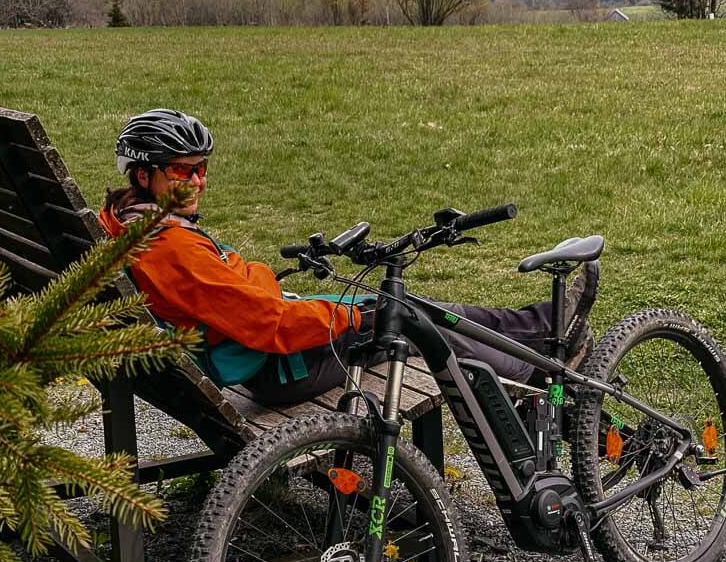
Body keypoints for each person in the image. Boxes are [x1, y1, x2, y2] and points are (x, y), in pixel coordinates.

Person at [100, 109, 598, 406]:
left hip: (247, 355)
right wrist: (348, 315)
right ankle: (537, 360)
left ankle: (537, 333)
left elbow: (246, 286)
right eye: (184, 171)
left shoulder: (123, 224)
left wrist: (253, 279)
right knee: (411, 318)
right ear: (144, 176)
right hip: (279, 369)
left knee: (406, 307)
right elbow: (268, 319)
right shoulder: (171, 247)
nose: (199, 181)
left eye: (203, 168)